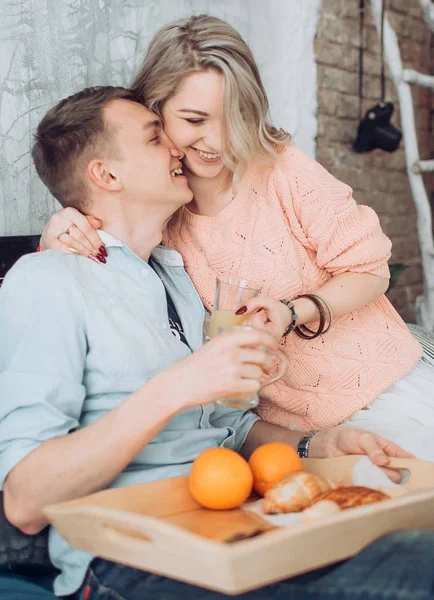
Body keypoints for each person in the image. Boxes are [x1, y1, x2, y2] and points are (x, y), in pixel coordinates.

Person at [0, 85, 432, 600]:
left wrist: (316, 444)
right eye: (156, 137)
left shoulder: (178, 279)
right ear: (107, 175)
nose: (178, 148)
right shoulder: (50, 280)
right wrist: (177, 386)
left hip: (238, 527)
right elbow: (25, 503)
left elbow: (228, 426)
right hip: (134, 559)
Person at [40, 15, 434, 461]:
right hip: (289, 433)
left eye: (234, 117)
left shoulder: (282, 171)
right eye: (194, 119)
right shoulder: (157, 205)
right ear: (154, 109)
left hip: (382, 391)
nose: (217, 141)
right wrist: (61, 228)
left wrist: (290, 312)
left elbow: (368, 268)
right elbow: (86, 255)